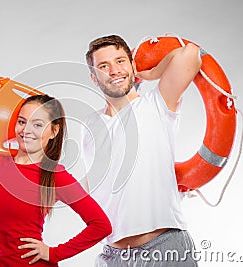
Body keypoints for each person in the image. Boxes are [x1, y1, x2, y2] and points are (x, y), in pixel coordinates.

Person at [0, 94, 112, 266]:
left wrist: (55, 253)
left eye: (37, 124)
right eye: (22, 122)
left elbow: (101, 225)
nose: (26, 131)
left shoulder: (55, 175)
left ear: (54, 131)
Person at [81, 35, 202, 266]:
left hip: (163, 249)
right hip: (110, 256)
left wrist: (149, 73)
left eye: (120, 61)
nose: (114, 70)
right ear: (94, 78)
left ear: (131, 65)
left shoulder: (156, 103)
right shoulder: (89, 124)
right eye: (104, 66)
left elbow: (191, 54)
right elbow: (92, 185)